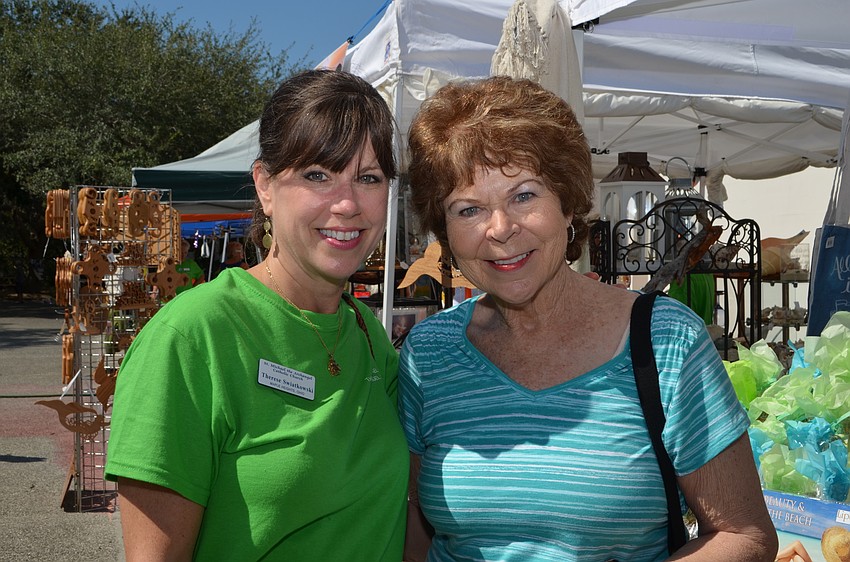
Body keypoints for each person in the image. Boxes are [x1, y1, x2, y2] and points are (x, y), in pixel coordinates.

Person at [400, 76, 778, 561]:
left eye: (523, 196)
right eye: (468, 209)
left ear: (569, 203)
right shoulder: (428, 356)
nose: (499, 230)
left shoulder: (665, 342)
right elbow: (416, 529)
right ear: (445, 230)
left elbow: (745, 536)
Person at [105, 70, 408, 561]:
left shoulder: (366, 333)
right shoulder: (191, 338)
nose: (348, 203)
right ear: (265, 185)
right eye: (317, 175)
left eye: (368, 178)